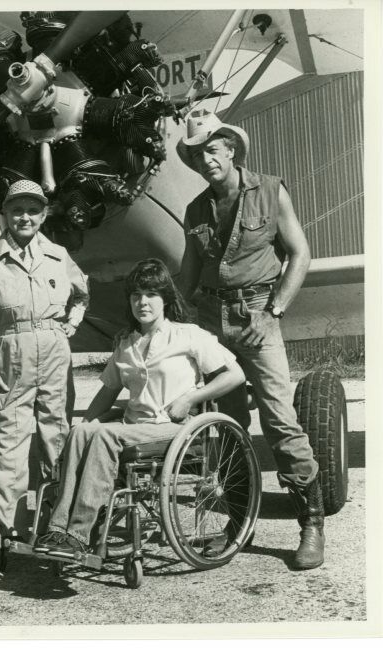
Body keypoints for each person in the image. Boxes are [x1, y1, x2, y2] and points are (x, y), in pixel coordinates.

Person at [176, 108, 324, 570]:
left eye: (212, 151)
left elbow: (300, 254)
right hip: (211, 320)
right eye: (198, 155)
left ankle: (311, 525)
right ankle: (239, 519)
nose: (206, 161)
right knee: (225, 425)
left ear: (232, 149)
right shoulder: (196, 210)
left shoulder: (271, 190)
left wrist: (274, 310)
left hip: (259, 316)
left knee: (280, 419)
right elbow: (188, 274)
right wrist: (168, 322)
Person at [33, 257, 245, 557]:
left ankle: (79, 533)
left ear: (165, 299)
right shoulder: (126, 343)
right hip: (134, 428)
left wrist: (189, 399)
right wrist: (81, 427)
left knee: (105, 437)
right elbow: (107, 393)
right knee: (82, 432)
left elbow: (235, 375)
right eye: (136, 295)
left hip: (175, 430)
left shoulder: (188, 335)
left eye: (150, 295)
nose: (142, 302)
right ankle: (58, 531)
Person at [0, 179, 89, 582]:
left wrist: (70, 324)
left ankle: (57, 534)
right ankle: (1, 539)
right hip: (9, 354)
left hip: (54, 349)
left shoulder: (58, 255)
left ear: (43, 214)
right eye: (17, 209)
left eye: (33, 210)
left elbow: (82, 294)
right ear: (5, 213)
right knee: (8, 448)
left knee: (57, 440)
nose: (25, 217)